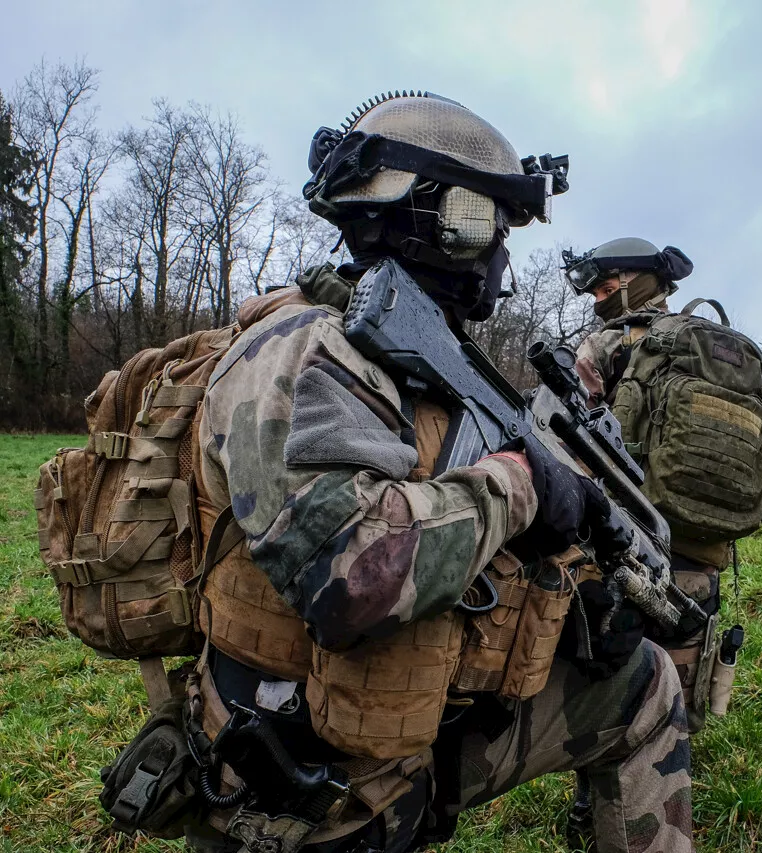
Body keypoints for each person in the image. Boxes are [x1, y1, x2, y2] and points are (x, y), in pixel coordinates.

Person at [188, 93, 693, 853]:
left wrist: (580, 610)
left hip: (392, 726)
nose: (498, 259)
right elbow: (352, 578)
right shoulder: (302, 352)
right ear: (438, 218)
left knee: (644, 683)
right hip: (302, 789)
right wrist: (522, 484)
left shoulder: (399, 357)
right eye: (488, 224)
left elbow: (436, 508)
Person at [563, 238, 737, 848]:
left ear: (635, 283)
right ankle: (672, 799)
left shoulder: (609, 344)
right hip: (704, 546)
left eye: (605, 286)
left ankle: (599, 810)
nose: (595, 297)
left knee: (620, 691)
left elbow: (565, 436)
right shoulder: (715, 345)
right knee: (678, 692)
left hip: (625, 544)